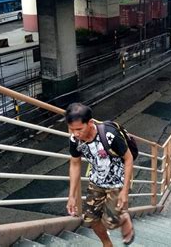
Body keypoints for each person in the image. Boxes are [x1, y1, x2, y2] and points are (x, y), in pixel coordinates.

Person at [66, 103, 135, 246]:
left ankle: (124, 217)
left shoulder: (110, 135)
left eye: (79, 129)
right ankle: (107, 243)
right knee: (90, 218)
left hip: (118, 181)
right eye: (71, 129)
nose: (75, 133)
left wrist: (125, 191)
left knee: (110, 222)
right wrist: (71, 196)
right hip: (97, 180)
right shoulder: (75, 139)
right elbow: (75, 163)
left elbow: (128, 159)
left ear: (90, 123)